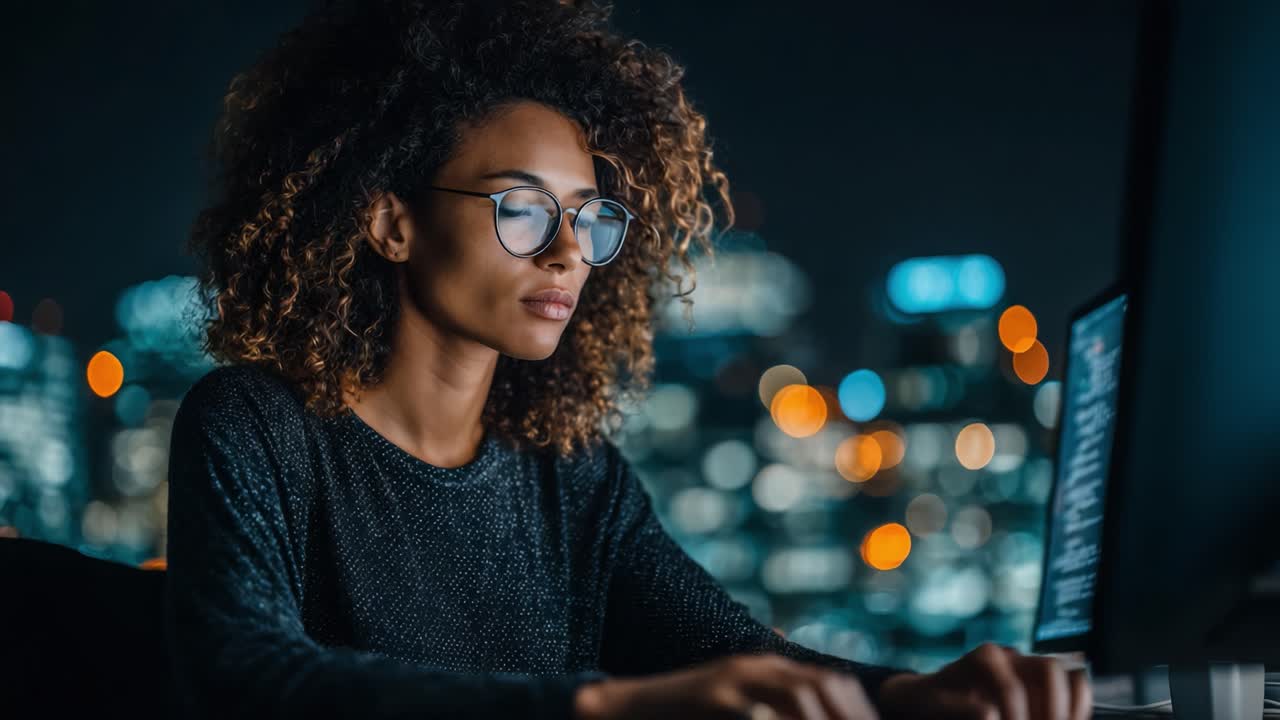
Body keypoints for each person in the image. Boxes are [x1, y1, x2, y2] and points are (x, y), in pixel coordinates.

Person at [165, 1, 1092, 718]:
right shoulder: (254, 426)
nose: (567, 252)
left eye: (589, 217)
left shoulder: (573, 482)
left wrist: (909, 694)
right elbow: (254, 680)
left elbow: (725, 647)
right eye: (521, 208)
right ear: (391, 220)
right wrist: (601, 705)